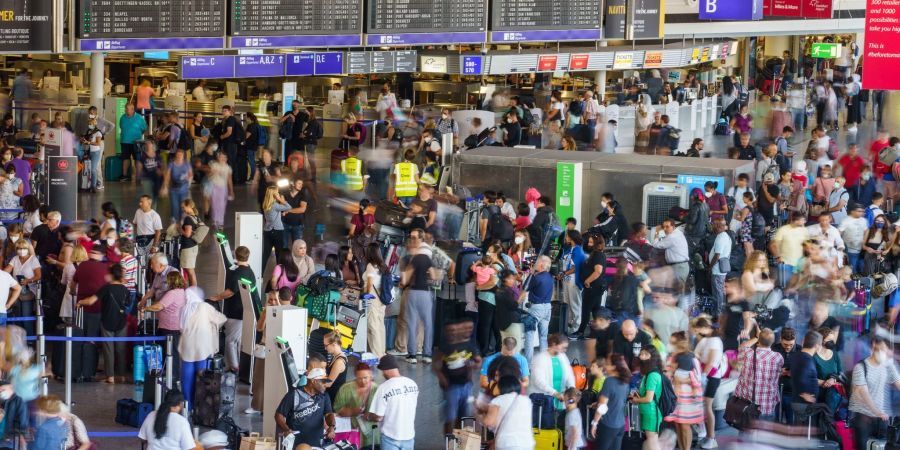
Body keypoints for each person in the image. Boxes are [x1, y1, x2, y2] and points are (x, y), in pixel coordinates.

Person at [76, 264, 129, 384]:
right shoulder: (125, 289)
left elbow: (90, 301)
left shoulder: (106, 288)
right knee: (121, 350)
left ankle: (110, 376)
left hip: (107, 321)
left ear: (111, 275)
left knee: (108, 350)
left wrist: (81, 302)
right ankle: (121, 376)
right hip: (122, 322)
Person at [178, 286, 225, 412]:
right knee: (201, 375)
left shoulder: (183, 308)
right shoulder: (205, 307)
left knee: (186, 375)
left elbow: (180, 327)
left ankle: (187, 405)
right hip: (202, 346)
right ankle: (199, 405)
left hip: (187, 344)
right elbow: (221, 318)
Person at [848, 335, 900, 450]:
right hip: (863, 418)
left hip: (882, 420)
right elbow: (863, 392)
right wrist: (877, 412)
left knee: (882, 447)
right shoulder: (861, 367)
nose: (884, 353)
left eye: (886, 350)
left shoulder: (888, 365)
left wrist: (879, 414)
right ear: (874, 346)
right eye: (882, 349)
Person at [209, 246, 255, 373]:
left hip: (235, 311)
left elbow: (230, 292)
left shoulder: (238, 273)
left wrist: (216, 297)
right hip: (243, 311)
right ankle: (237, 365)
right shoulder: (249, 271)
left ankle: (234, 366)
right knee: (237, 340)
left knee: (230, 340)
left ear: (236, 255)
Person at [365, 355, 419, 450]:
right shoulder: (412, 384)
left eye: (382, 371)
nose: (382, 374)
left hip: (390, 437)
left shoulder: (384, 387)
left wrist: (368, 416)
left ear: (385, 369)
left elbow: (378, 417)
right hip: (409, 436)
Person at [399, 229, 435, 363]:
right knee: (428, 325)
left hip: (413, 292)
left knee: (412, 323)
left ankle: (412, 355)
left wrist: (403, 277)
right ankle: (427, 355)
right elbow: (434, 275)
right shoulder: (427, 257)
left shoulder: (414, 258)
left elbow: (405, 279)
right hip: (426, 292)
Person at [143, 271, 187, 378]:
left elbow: (159, 306)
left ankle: (170, 375)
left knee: (169, 353)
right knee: (174, 352)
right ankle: (172, 374)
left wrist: (146, 308)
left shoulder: (172, 293)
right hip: (176, 326)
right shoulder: (182, 292)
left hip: (169, 327)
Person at [734, 328, 784, 421]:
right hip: (768, 404)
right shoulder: (778, 357)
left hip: (747, 404)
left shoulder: (747, 353)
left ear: (758, 341)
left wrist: (756, 337)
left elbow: (743, 346)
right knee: (765, 433)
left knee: (745, 432)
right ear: (773, 341)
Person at [691, 316, 725, 449]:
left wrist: (703, 376)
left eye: (698, 329)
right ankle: (704, 432)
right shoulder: (705, 340)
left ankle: (711, 437)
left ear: (705, 328)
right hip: (703, 375)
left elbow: (711, 362)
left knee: (707, 407)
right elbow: (696, 355)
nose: (697, 332)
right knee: (701, 405)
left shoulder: (715, 341)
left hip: (711, 377)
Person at [482, 375, 534, 450]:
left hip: (507, 445)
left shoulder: (498, 400)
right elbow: (515, 425)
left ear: (501, 387)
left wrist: (478, 413)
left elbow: (489, 422)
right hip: (527, 444)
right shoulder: (526, 400)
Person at [334, 363, 380, 448]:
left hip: (372, 433)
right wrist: (352, 411)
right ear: (355, 376)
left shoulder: (377, 389)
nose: (363, 381)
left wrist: (371, 416)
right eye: (359, 378)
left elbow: (382, 412)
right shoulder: (345, 388)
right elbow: (338, 409)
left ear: (370, 375)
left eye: (365, 378)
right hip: (352, 432)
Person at [529, 333, 575, 417]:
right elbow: (539, 381)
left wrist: (572, 388)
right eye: (563, 347)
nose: (565, 350)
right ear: (554, 344)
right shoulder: (540, 358)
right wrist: (555, 393)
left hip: (560, 400)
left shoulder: (563, 356)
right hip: (543, 402)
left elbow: (569, 374)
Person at [632, 346, 664, 450]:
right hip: (648, 412)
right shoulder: (648, 373)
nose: (642, 356)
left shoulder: (652, 375)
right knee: (651, 441)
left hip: (651, 413)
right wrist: (638, 395)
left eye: (646, 354)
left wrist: (636, 400)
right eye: (641, 354)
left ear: (653, 357)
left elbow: (648, 398)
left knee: (652, 442)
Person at [524, 255, 553, 362]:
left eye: (536, 262)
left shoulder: (536, 278)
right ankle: (544, 363)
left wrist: (531, 273)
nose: (535, 264)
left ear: (540, 265)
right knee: (543, 337)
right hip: (547, 308)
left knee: (529, 336)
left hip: (535, 309)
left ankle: (528, 364)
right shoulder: (550, 277)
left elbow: (525, 287)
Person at [652, 219, 691, 288]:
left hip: (678, 267)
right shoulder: (678, 233)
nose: (664, 229)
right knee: (676, 292)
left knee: (676, 293)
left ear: (673, 226)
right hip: (680, 266)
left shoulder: (672, 236)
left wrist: (657, 232)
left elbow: (655, 245)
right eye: (663, 227)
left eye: (667, 226)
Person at [160, 149, 192, 223]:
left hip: (184, 189)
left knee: (183, 206)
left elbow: (190, 174)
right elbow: (167, 176)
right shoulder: (172, 164)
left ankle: (183, 221)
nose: (179, 156)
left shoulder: (186, 163)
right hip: (173, 189)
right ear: (175, 155)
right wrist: (165, 187)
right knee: (174, 206)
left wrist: (189, 179)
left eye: (181, 155)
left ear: (183, 156)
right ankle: (174, 222)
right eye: (178, 154)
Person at [206, 151, 233, 230]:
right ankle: (214, 221)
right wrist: (212, 172)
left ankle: (220, 222)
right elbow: (209, 176)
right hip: (214, 187)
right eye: (221, 157)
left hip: (223, 188)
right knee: (214, 205)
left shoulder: (228, 167)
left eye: (224, 157)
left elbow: (229, 179)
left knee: (221, 206)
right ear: (218, 158)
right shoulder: (214, 165)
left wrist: (231, 190)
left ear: (226, 159)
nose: (222, 159)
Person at [118, 103, 146, 182]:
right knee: (125, 158)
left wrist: (137, 135)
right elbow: (121, 126)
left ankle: (138, 176)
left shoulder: (139, 118)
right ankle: (124, 175)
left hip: (136, 142)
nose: (126, 110)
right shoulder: (122, 117)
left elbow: (144, 129)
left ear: (133, 109)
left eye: (127, 109)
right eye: (125, 108)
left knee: (137, 159)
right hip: (124, 141)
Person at [283, 176, 309, 246]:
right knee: (283, 246)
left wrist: (288, 210)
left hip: (298, 225)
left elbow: (302, 209)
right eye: (299, 183)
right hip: (285, 223)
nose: (301, 185)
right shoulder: (285, 194)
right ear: (293, 184)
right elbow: (282, 207)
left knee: (297, 247)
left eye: (302, 184)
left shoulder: (303, 195)